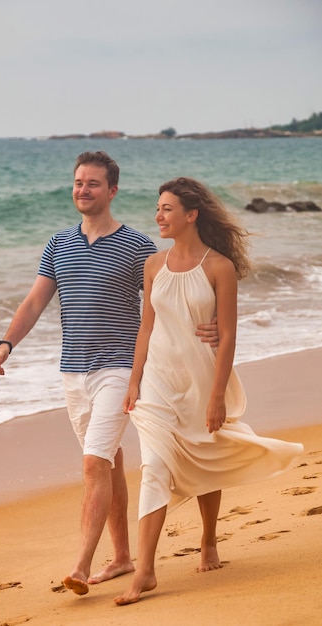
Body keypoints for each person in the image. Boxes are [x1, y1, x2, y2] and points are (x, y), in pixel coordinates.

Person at [0, 153, 219, 597]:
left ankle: (79, 565)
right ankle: (122, 557)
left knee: (94, 462)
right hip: (73, 371)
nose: (83, 190)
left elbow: (166, 294)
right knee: (108, 461)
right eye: (78, 183)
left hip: (120, 366)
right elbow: (35, 301)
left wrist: (210, 324)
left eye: (93, 184)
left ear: (112, 191)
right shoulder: (58, 245)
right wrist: (6, 342)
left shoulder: (136, 245)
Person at [114, 176, 304, 606]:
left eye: (166, 209)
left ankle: (209, 539)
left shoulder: (219, 267)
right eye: (158, 208)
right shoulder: (153, 265)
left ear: (191, 215)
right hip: (158, 380)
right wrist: (133, 379)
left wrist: (218, 395)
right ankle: (145, 570)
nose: (158, 215)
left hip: (200, 377)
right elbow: (147, 325)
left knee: (205, 451)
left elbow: (229, 335)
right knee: (155, 466)